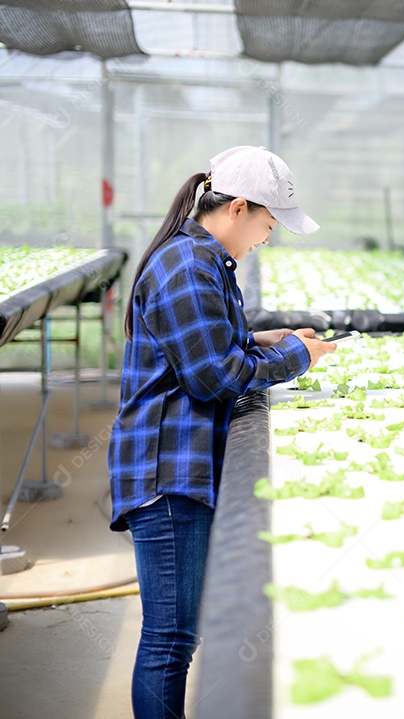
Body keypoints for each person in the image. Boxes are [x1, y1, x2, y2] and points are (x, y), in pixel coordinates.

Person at [107, 145, 336, 719]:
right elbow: (215, 376)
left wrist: (264, 338)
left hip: (176, 465)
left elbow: (203, 342)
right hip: (167, 473)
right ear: (238, 209)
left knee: (176, 636)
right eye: (268, 225)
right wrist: (297, 358)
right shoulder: (188, 265)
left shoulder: (199, 259)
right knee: (169, 641)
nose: (267, 239)